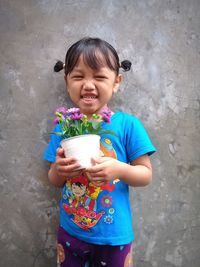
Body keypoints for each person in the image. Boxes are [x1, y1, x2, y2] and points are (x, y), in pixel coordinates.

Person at [43, 37, 156, 267]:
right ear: (67, 81)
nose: (88, 84)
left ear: (116, 82)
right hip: (71, 232)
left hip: (114, 237)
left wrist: (119, 169)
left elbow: (146, 174)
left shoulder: (127, 125)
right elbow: (53, 180)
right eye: (78, 76)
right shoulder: (63, 127)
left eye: (99, 76)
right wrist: (59, 170)